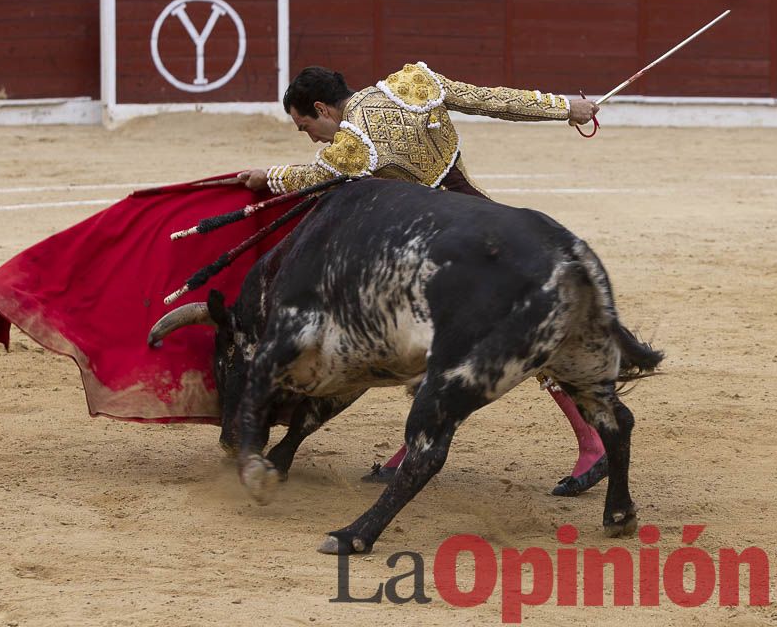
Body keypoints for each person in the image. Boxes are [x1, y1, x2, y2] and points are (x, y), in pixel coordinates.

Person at [235, 64, 610, 496]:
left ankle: (593, 441)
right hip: (489, 218)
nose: (311, 137)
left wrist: (270, 176)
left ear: (321, 107)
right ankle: (421, 448)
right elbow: (491, 98)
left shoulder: (352, 144)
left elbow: (315, 177)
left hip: (449, 254)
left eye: (306, 126)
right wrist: (567, 108)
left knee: (416, 338)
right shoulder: (412, 82)